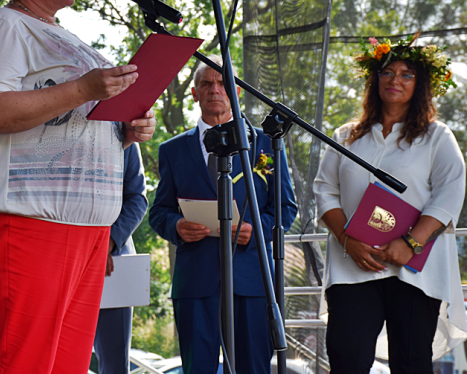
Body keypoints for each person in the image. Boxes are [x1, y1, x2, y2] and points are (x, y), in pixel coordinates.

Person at [0, 0, 156, 374]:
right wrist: (86, 89)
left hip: (87, 227)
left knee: (66, 367)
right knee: (23, 364)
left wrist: (123, 132)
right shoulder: (2, 25)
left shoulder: (67, 38)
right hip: (27, 217)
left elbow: (67, 120)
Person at [314, 36, 466, 373]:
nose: (395, 80)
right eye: (387, 71)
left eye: (406, 74)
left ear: (421, 83)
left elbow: (451, 191)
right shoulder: (345, 136)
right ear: (374, 79)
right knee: (345, 357)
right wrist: (347, 240)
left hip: (413, 270)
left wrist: (411, 242)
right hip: (353, 267)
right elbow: (325, 190)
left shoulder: (436, 136)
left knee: (411, 362)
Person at [149, 57, 297, 374]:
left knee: (253, 369)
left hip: (252, 280)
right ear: (194, 93)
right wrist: (176, 226)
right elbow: (158, 212)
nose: (215, 89)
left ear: (236, 92)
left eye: (222, 83)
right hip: (196, 282)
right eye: (206, 83)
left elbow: (286, 209)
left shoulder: (266, 144)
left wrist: (256, 231)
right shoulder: (173, 150)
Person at [93, 143, 149, 374]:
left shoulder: (122, 132)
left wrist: (109, 242)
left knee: (115, 364)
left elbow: (138, 199)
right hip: (59, 257)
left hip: (113, 264)